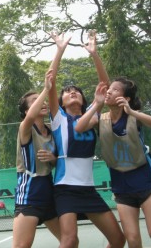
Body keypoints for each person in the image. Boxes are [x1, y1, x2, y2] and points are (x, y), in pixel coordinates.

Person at [48, 31, 125, 248]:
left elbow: (105, 86)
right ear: (61, 102)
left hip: (88, 189)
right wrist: (60, 49)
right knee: (70, 240)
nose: (72, 93)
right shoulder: (59, 118)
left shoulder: (92, 115)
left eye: (76, 91)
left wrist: (95, 54)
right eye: (68, 92)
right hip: (65, 188)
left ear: (83, 99)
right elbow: (50, 83)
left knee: (118, 240)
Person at [76, 77, 151, 248]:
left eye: (114, 90)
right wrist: (97, 104)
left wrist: (132, 111)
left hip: (144, 179)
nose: (109, 92)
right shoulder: (101, 118)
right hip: (121, 183)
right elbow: (79, 127)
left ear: (126, 98)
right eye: (109, 89)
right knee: (133, 239)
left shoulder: (134, 117)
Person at [12, 68, 61, 248]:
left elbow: (56, 163)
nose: (42, 102)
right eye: (34, 101)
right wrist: (46, 89)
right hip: (29, 192)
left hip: (48, 189)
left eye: (41, 99)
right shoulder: (25, 128)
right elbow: (32, 115)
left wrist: (53, 158)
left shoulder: (51, 131)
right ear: (26, 111)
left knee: (70, 241)